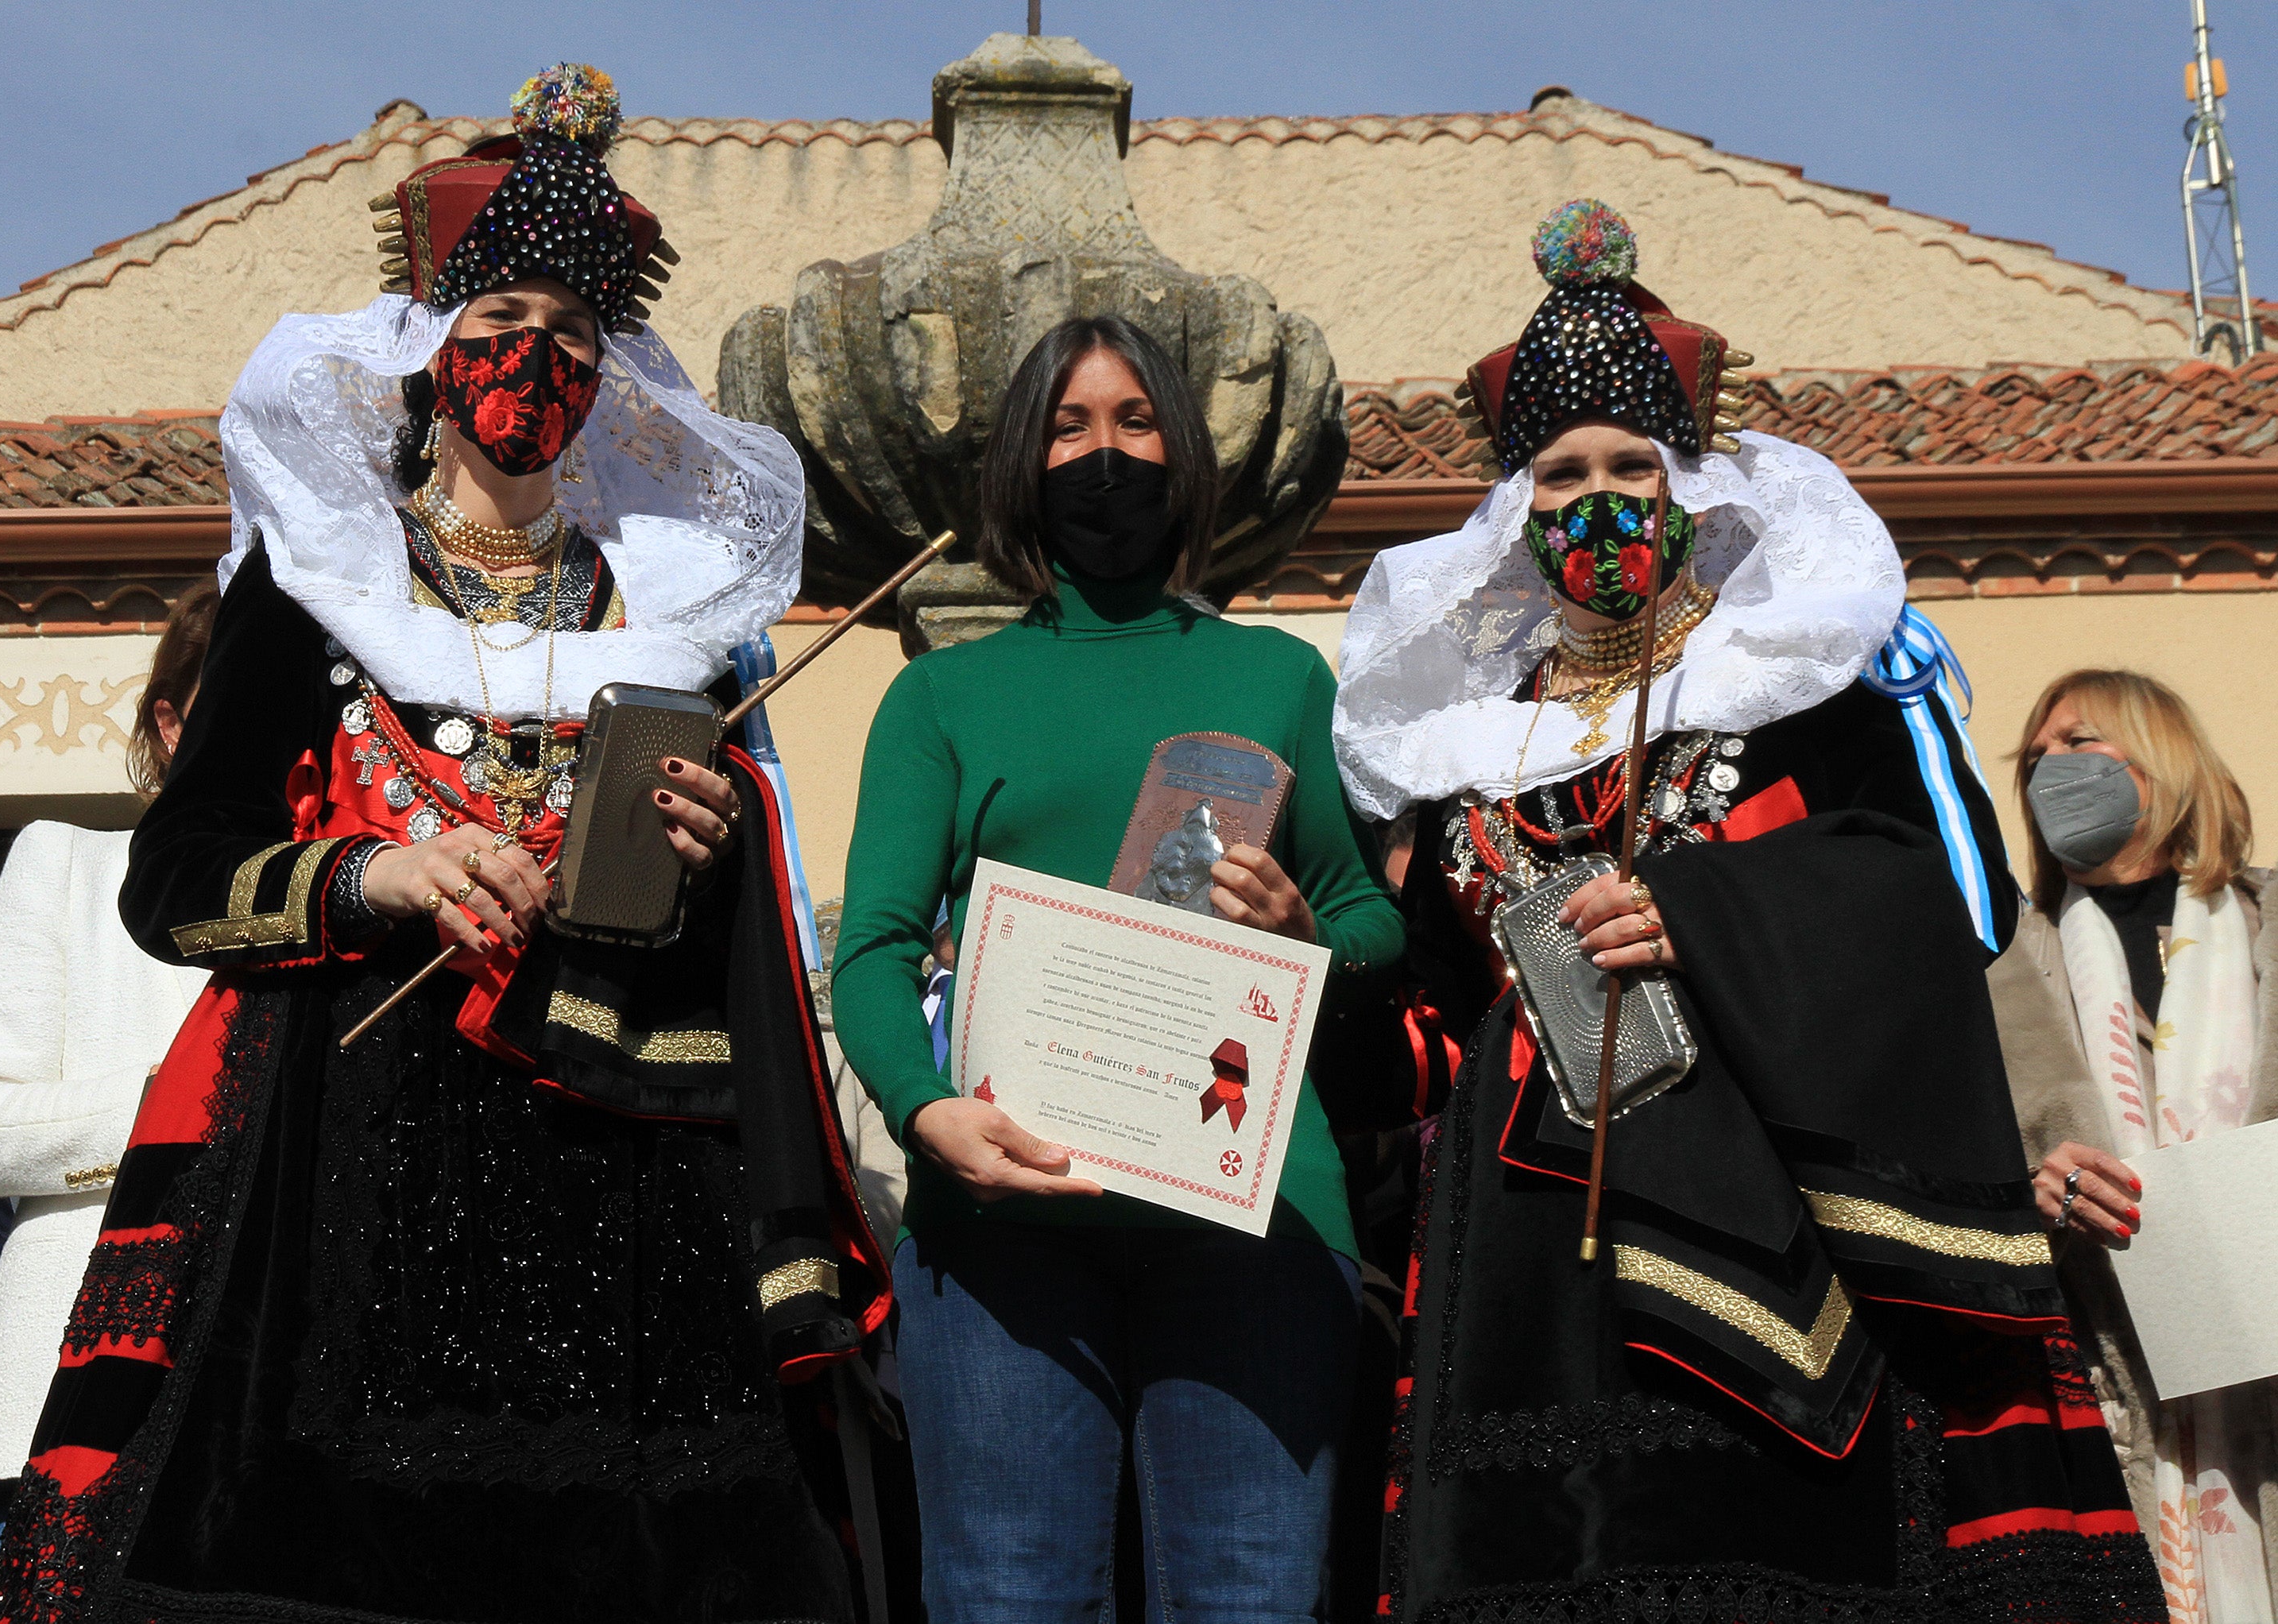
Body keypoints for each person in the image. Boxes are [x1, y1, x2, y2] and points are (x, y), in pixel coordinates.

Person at [0, 66, 886, 1624]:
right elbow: (177, 873)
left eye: (575, 340)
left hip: (621, 1194)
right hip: (348, 1169)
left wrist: (713, 841)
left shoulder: (676, 626)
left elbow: (735, 933)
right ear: (424, 353)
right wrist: (371, 872)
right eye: (499, 324)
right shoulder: (313, 584)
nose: (535, 362)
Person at [1335, 200, 2164, 1620]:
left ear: (1688, 492)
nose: (1593, 499)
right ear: (1513, 513)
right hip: (1527, 1255)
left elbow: (1925, 897)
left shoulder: (1795, 690)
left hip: (1782, 1221)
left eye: (1624, 466)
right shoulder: (1457, 751)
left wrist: (1699, 909)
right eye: (1557, 474)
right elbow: (1428, 1013)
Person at [831, 313, 1406, 1622]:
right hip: (1002, 1217)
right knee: (1003, 1600)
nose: (1105, 453)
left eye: (1134, 421)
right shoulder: (940, 696)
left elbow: (1369, 919)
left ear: (1185, 451)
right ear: (1019, 466)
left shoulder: (1278, 676)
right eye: (1068, 426)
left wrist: (1304, 941)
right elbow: (869, 948)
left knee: (1251, 1601)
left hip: (1251, 1215)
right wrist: (929, 1113)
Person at [0, 585, 214, 1576]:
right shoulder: (67, 863)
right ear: (170, 721)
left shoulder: (353, 904)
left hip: (265, 1424)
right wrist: (172, 1102)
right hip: (60, 1409)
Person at [1993, 668, 2278, 1621]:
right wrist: (2022, 1195)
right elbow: (1945, 1178)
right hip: (2102, 1390)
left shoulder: (2272, 925)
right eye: (2035, 757)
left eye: (2079, 744)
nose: (2049, 771)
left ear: (2162, 757)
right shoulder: (2002, 966)